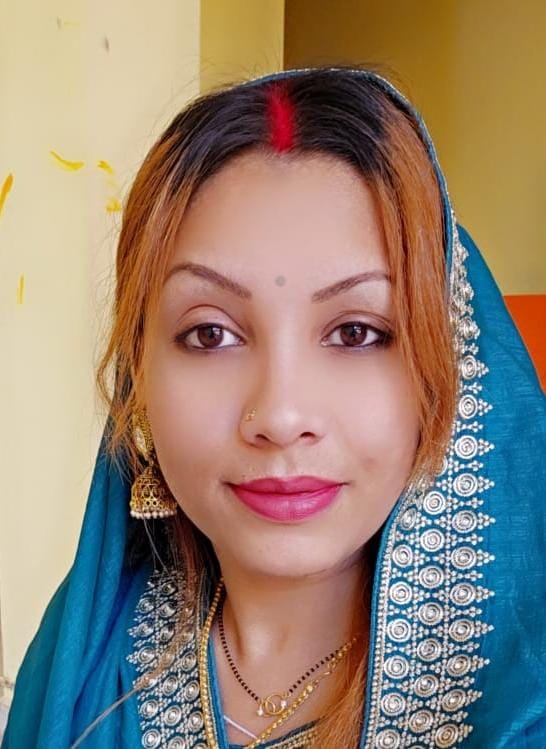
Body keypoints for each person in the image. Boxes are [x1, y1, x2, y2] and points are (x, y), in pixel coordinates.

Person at [2, 64, 545, 749]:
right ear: (139, 377)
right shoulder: (82, 661)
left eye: (357, 332)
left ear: (448, 372)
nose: (282, 416)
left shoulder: (521, 701)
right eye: (210, 334)